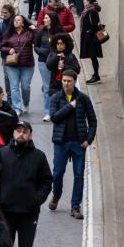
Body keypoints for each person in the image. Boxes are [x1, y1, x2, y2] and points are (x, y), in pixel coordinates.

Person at [0, 119, 52, 247]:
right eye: (18, 130)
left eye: (25, 131)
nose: (21, 134)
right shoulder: (2, 154)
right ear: (13, 133)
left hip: (29, 213)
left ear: (30, 135)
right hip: (6, 212)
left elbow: (46, 181)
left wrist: (37, 200)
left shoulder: (39, 156)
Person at [48, 70, 97, 219]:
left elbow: (93, 121)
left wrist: (88, 140)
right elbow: (54, 117)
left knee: (79, 175)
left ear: (75, 82)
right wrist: (70, 106)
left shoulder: (83, 99)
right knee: (57, 173)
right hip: (61, 143)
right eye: (64, 81)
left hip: (78, 143)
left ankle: (75, 206)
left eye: (69, 81)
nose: (66, 84)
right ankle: (56, 195)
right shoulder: (56, 98)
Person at [0, 14, 36, 116]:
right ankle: (17, 108)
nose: (16, 21)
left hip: (27, 64)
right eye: (15, 20)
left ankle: (26, 103)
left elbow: (37, 41)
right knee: (14, 87)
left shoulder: (29, 33)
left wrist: (34, 30)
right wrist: (8, 49)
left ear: (23, 23)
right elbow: (1, 47)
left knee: (25, 87)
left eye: (19, 20)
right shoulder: (8, 33)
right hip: (12, 65)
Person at [78, 0, 104, 84]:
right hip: (90, 38)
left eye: (86, 0)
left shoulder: (92, 11)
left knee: (93, 57)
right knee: (93, 57)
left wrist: (88, 32)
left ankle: (96, 76)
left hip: (92, 39)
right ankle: (96, 75)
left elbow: (94, 25)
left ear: (89, 2)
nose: (85, 2)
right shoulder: (89, 10)